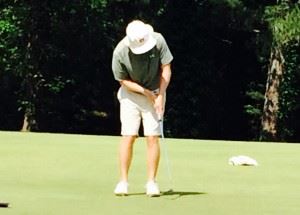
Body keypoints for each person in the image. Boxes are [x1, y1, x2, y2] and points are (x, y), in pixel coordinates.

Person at [112, 20, 173, 197]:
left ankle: (151, 182)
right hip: (130, 95)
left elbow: (166, 68)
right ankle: (123, 181)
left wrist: (160, 94)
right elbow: (122, 80)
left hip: (156, 92)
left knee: (152, 137)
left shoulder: (159, 40)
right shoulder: (120, 52)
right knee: (128, 136)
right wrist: (145, 92)